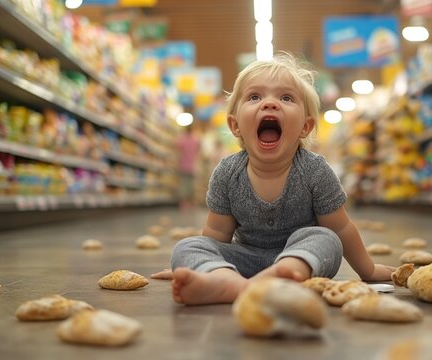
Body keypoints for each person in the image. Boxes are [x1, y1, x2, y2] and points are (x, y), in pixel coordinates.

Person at [152, 52, 395, 305]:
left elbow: (341, 227)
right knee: (188, 246)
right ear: (235, 126)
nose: (269, 104)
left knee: (326, 239)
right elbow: (215, 233)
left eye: (286, 97)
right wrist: (201, 262)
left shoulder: (315, 171)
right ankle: (226, 280)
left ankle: (262, 279)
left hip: (299, 257)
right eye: (254, 97)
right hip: (244, 258)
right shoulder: (227, 172)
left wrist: (368, 270)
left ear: (305, 127)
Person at [175, 125, 200, 211]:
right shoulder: (195, 140)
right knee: (192, 185)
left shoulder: (182, 139)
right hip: (193, 165)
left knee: (183, 184)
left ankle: (183, 204)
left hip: (183, 165)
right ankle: (191, 203)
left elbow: (177, 147)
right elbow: (198, 150)